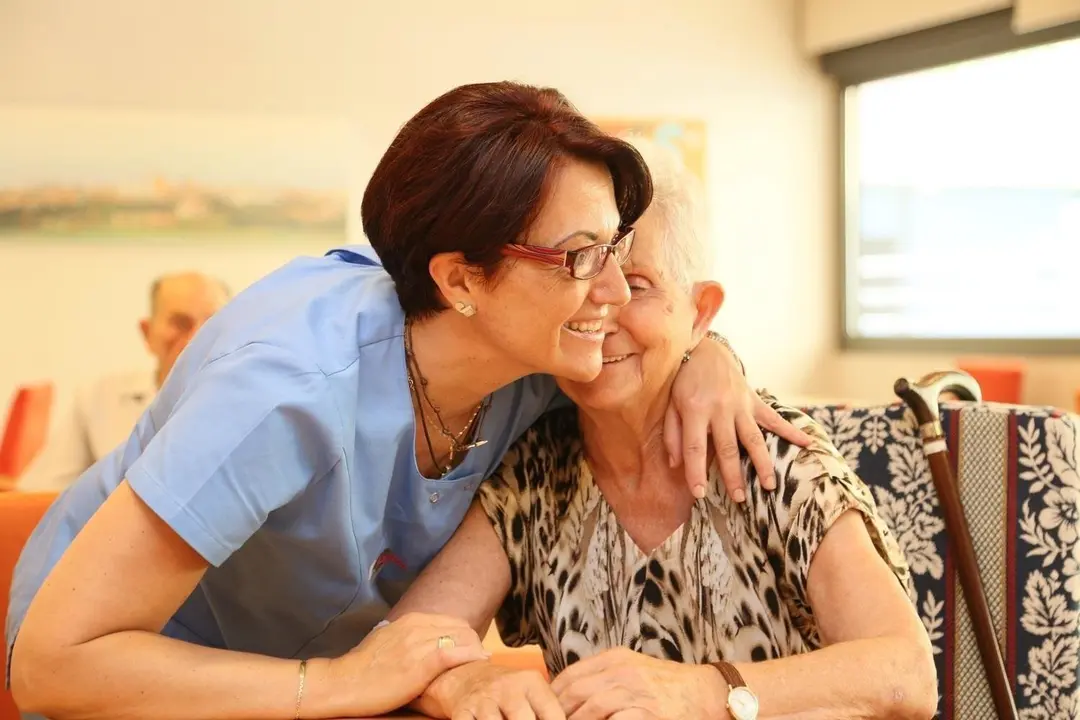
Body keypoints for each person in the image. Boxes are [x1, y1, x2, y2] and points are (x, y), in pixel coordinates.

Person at [6, 82, 811, 720]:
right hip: (133, 670)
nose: (611, 292)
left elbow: (664, 329)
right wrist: (333, 685)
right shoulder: (285, 389)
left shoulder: (536, 349)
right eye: (578, 258)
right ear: (460, 279)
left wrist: (710, 355)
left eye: (617, 253)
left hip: (333, 678)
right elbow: (53, 665)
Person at [389, 138, 938, 720]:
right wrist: (465, 683)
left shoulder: (769, 454)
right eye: (578, 274)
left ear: (700, 312)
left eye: (638, 284)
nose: (599, 312)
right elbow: (411, 639)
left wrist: (700, 691)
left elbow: (906, 673)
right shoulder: (535, 466)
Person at [18, 272, 230, 492]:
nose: (196, 338)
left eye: (212, 325)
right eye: (180, 323)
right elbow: (38, 494)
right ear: (147, 333)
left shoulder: (255, 404)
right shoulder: (98, 399)